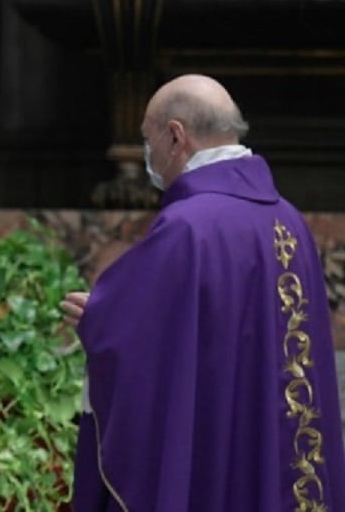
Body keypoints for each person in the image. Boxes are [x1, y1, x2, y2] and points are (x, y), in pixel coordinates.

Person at [63, 74, 345, 511]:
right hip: (275, 451)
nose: (148, 154)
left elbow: (141, 347)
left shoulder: (188, 227)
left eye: (146, 139)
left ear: (175, 136)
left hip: (217, 456)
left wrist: (101, 322)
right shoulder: (289, 220)